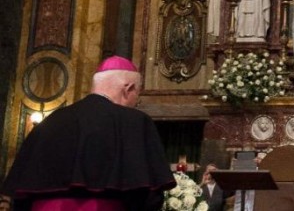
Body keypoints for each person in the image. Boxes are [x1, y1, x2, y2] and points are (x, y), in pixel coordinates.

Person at [1, 56, 175, 210]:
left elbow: (21, 191)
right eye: (137, 93)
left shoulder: (51, 120)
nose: (136, 101)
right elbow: (147, 195)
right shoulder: (135, 121)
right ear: (128, 88)